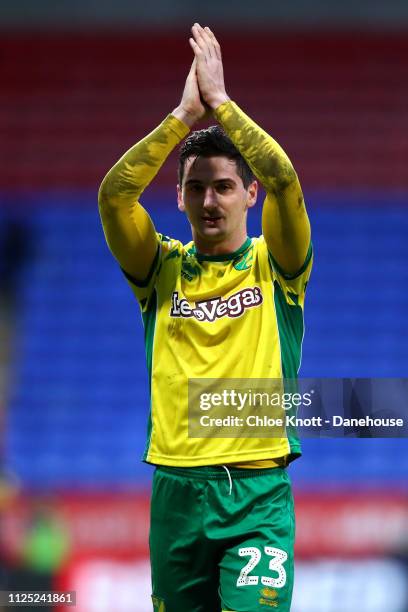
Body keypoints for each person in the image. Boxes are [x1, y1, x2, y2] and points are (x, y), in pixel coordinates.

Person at [98, 23, 312, 612]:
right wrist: (180, 119)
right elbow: (115, 198)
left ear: (250, 195)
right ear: (180, 198)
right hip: (175, 492)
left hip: (256, 492)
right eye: (197, 189)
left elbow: (286, 181)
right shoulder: (160, 269)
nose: (210, 201)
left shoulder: (277, 268)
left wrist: (221, 105)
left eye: (223, 187)